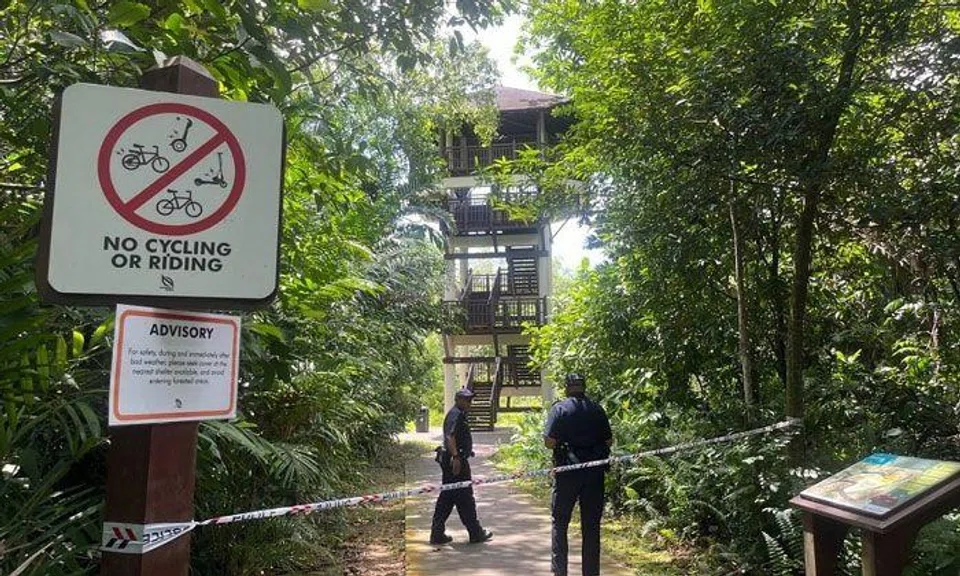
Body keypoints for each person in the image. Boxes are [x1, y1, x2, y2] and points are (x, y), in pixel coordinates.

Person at [544, 373, 613, 576]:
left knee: (560, 521)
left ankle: (560, 572)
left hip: (567, 473)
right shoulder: (597, 409)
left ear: (567, 388)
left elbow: (548, 441)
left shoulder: (560, 409)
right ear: (584, 387)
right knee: (591, 526)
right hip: (594, 473)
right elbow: (608, 441)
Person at [429, 387, 494, 545]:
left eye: (470, 400)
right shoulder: (455, 415)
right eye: (466, 400)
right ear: (458, 400)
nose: (469, 403)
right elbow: (450, 436)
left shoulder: (459, 414)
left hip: (452, 459)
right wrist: (456, 457)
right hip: (454, 461)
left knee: (448, 497)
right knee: (465, 497)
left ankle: (437, 533)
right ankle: (475, 532)